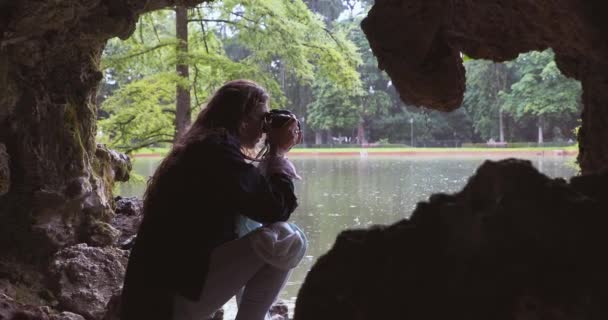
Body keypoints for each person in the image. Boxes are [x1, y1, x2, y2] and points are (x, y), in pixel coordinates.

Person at [120, 79, 305, 320]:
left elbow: (256, 207)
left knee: (259, 230)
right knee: (289, 238)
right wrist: (278, 154)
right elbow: (275, 209)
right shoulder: (217, 152)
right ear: (242, 118)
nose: (264, 129)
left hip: (154, 296)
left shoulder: (205, 146)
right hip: (168, 304)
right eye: (262, 118)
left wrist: (272, 157)